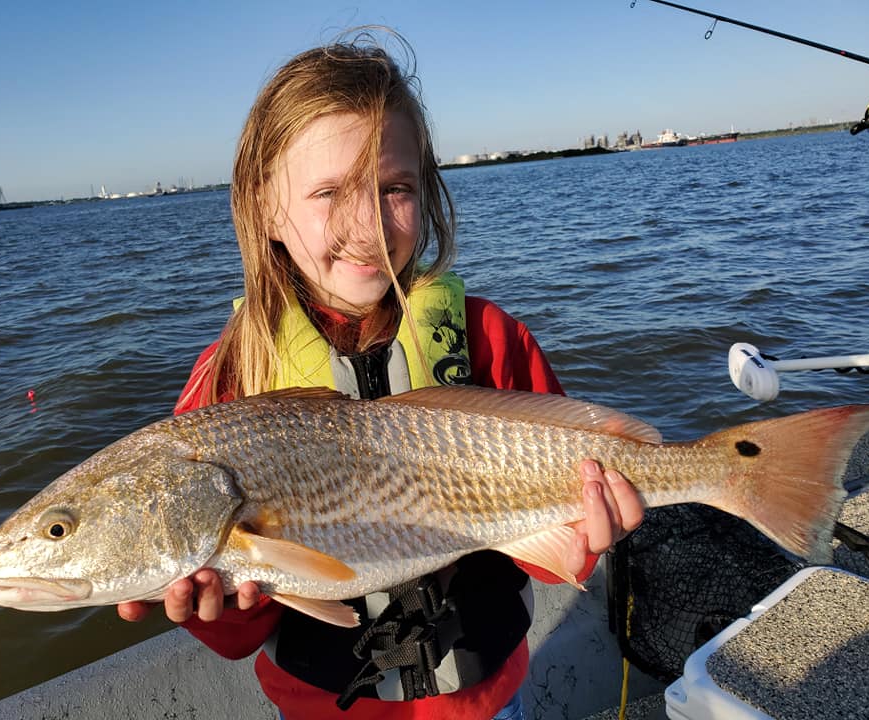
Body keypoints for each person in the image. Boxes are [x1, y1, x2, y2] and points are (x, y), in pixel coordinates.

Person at [119, 29, 643, 720]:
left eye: (394, 187)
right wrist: (207, 603)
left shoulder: (491, 339)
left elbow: (548, 548)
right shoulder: (229, 379)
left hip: (486, 702)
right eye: (328, 192)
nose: (367, 224)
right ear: (266, 206)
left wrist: (585, 534)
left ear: (426, 191)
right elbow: (240, 636)